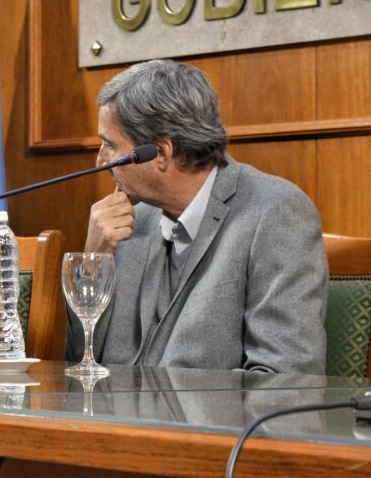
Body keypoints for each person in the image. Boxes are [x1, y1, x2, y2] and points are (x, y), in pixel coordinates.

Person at [67, 59, 327, 374]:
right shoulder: (129, 220)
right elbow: (80, 362)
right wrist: (93, 264)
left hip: (208, 409)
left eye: (110, 145)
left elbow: (284, 376)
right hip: (109, 406)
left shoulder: (274, 212)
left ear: (161, 153)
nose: (100, 162)